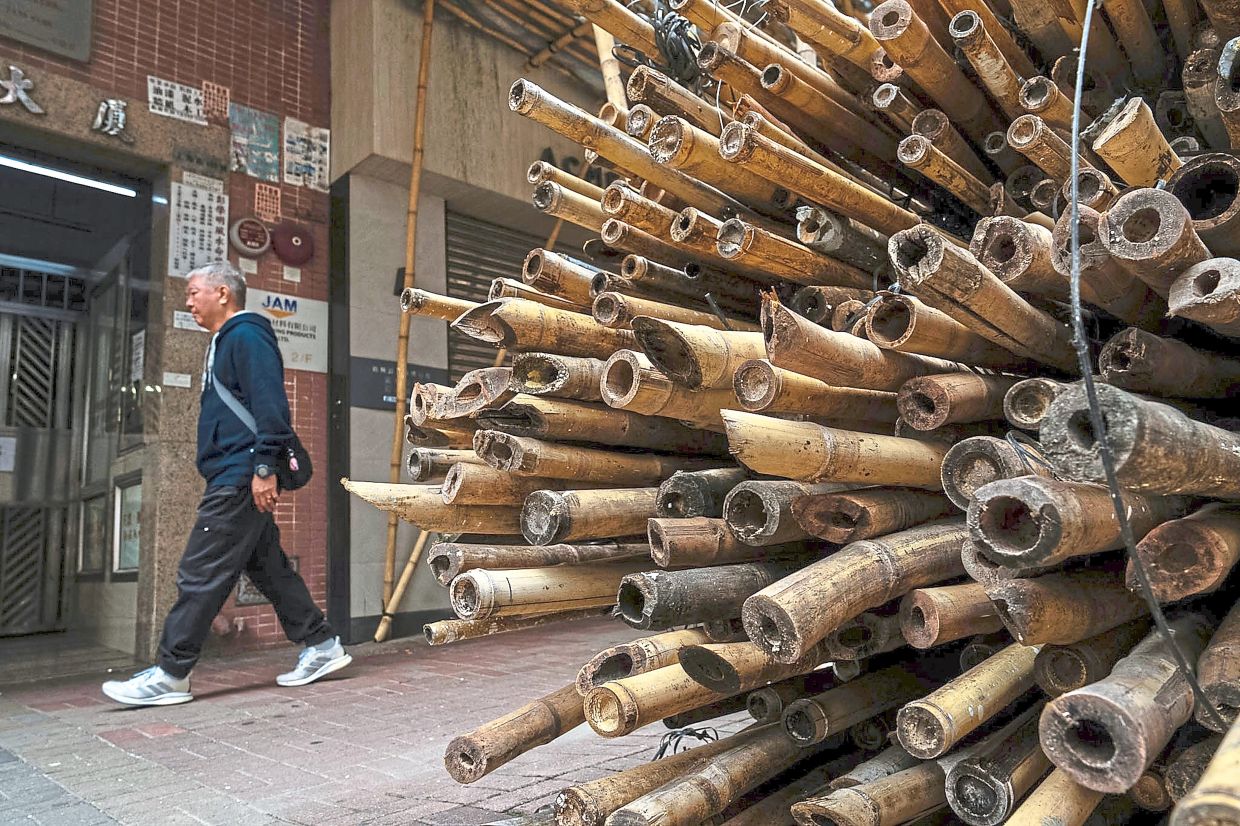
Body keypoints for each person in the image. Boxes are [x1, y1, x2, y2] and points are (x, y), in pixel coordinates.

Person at [103, 261, 350, 706]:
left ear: (222, 293)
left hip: (239, 475)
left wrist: (262, 468)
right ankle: (321, 646)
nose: (188, 300)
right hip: (234, 472)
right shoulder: (226, 341)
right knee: (268, 568)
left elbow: (271, 404)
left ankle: (171, 672)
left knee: (199, 572)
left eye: (194, 291)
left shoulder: (247, 335)